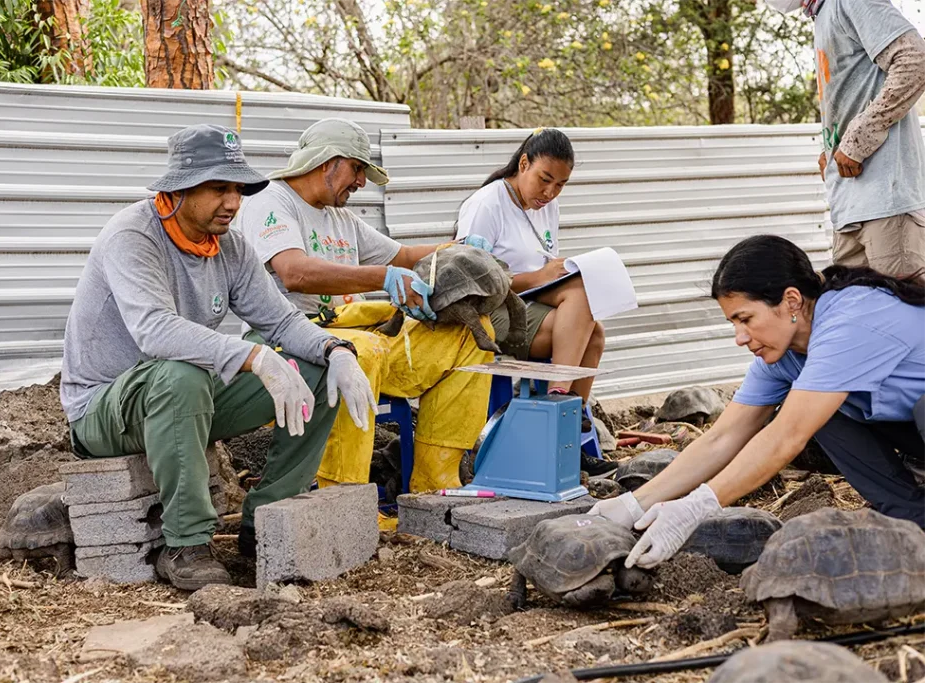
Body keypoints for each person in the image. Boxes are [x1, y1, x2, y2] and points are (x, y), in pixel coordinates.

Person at [60, 124, 376, 591]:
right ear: (180, 187)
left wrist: (337, 350)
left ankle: (264, 522)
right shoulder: (133, 235)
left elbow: (282, 321)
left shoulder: (229, 246)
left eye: (238, 189)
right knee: (181, 374)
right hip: (105, 407)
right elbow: (154, 330)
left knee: (315, 372)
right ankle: (186, 543)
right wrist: (255, 357)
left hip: (184, 398)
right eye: (218, 188)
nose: (233, 202)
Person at [588, 234, 925, 569]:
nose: (740, 338)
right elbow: (723, 437)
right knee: (821, 415)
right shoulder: (784, 355)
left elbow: (785, 437)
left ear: (791, 301)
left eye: (745, 319)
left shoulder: (851, 321)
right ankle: (912, 521)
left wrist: (698, 506)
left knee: (803, 418)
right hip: (910, 428)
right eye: (733, 323)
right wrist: (634, 504)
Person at [240, 118, 495, 497]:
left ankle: (433, 486)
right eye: (357, 169)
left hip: (357, 335)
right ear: (328, 161)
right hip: (294, 340)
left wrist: (455, 248)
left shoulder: (341, 217)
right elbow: (294, 273)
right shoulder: (270, 201)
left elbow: (404, 256)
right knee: (362, 352)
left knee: (474, 334)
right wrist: (383, 278)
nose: (361, 182)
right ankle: (343, 496)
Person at [455, 127, 614, 479]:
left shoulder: (547, 207)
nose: (550, 192)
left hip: (529, 303)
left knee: (596, 331)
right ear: (523, 163)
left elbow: (542, 266)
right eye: (545, 179)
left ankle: (569, 426)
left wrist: (552, 274)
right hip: (491, 311)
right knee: (585, 314)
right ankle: (558, 412)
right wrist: (538, 277)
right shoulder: (486, 204)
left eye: (560, 185)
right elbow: (470, 280)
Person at [765, 0, 925, 277]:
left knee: (899, 313)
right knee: (854, 313)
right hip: (850, 203)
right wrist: (830, 147)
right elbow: (852, 90)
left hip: (886, 199)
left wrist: (859, 138)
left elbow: (914, 60)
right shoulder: (823, 13)